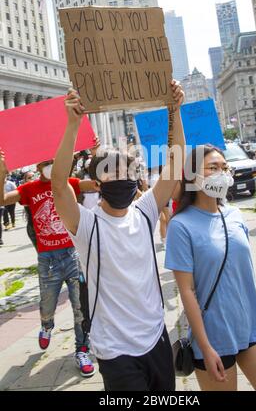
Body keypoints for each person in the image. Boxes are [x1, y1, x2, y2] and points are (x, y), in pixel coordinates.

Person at [51, 80, 185, 391]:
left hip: (156, 337)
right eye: (112, 171)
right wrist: (73, 124)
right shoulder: (86, 225)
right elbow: (59, 186)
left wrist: (174, 112)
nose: (123, 177)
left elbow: (175, 165)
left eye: (128, 171)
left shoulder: (145, 210)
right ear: (96, 184)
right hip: (116, 350)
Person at [165, 145, 256, 391]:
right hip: (213, 338)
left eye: (225, 167)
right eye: (213, 168)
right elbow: (187, 291)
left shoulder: (234, 215)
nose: (222, 173)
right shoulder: (180, 226)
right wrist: (206, 347)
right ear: (192, 176)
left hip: (252, 329)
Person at [0, 154, 100, 378]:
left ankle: (82, 349)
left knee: (79, 307)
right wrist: (2, 172)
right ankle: (47, 325)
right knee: (47, 304)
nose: (51, 167)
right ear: (38, 166)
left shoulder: (69, 182)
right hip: (48, 261)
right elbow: (3, 200)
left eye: (53, 162)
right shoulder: (29, 188)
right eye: (46, 163)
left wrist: (96, 156)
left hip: (72, 255)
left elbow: (95, 183)